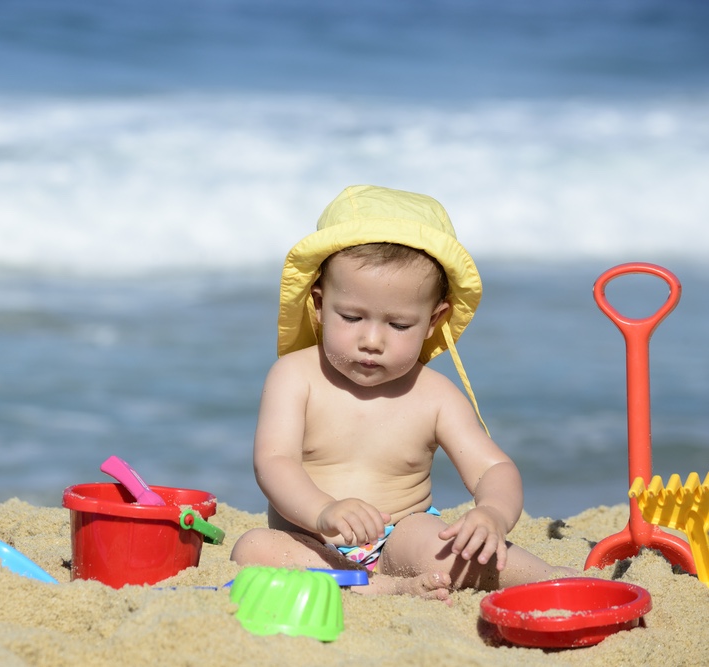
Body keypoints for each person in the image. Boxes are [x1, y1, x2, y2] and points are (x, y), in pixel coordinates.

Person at [230, 185, 575, 602]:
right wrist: (322, 510)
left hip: (401, 540)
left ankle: (551, 577)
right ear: (319, 305)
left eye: (398, 325)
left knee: (449, 544)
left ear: (434, 320)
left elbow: (492, 468)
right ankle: (384, 589)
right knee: (253, 548)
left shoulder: (434, 395)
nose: (371, 340)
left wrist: (492, 515)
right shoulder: (295, 376)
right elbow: (274, 461)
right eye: (352, 316)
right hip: (311, 540)